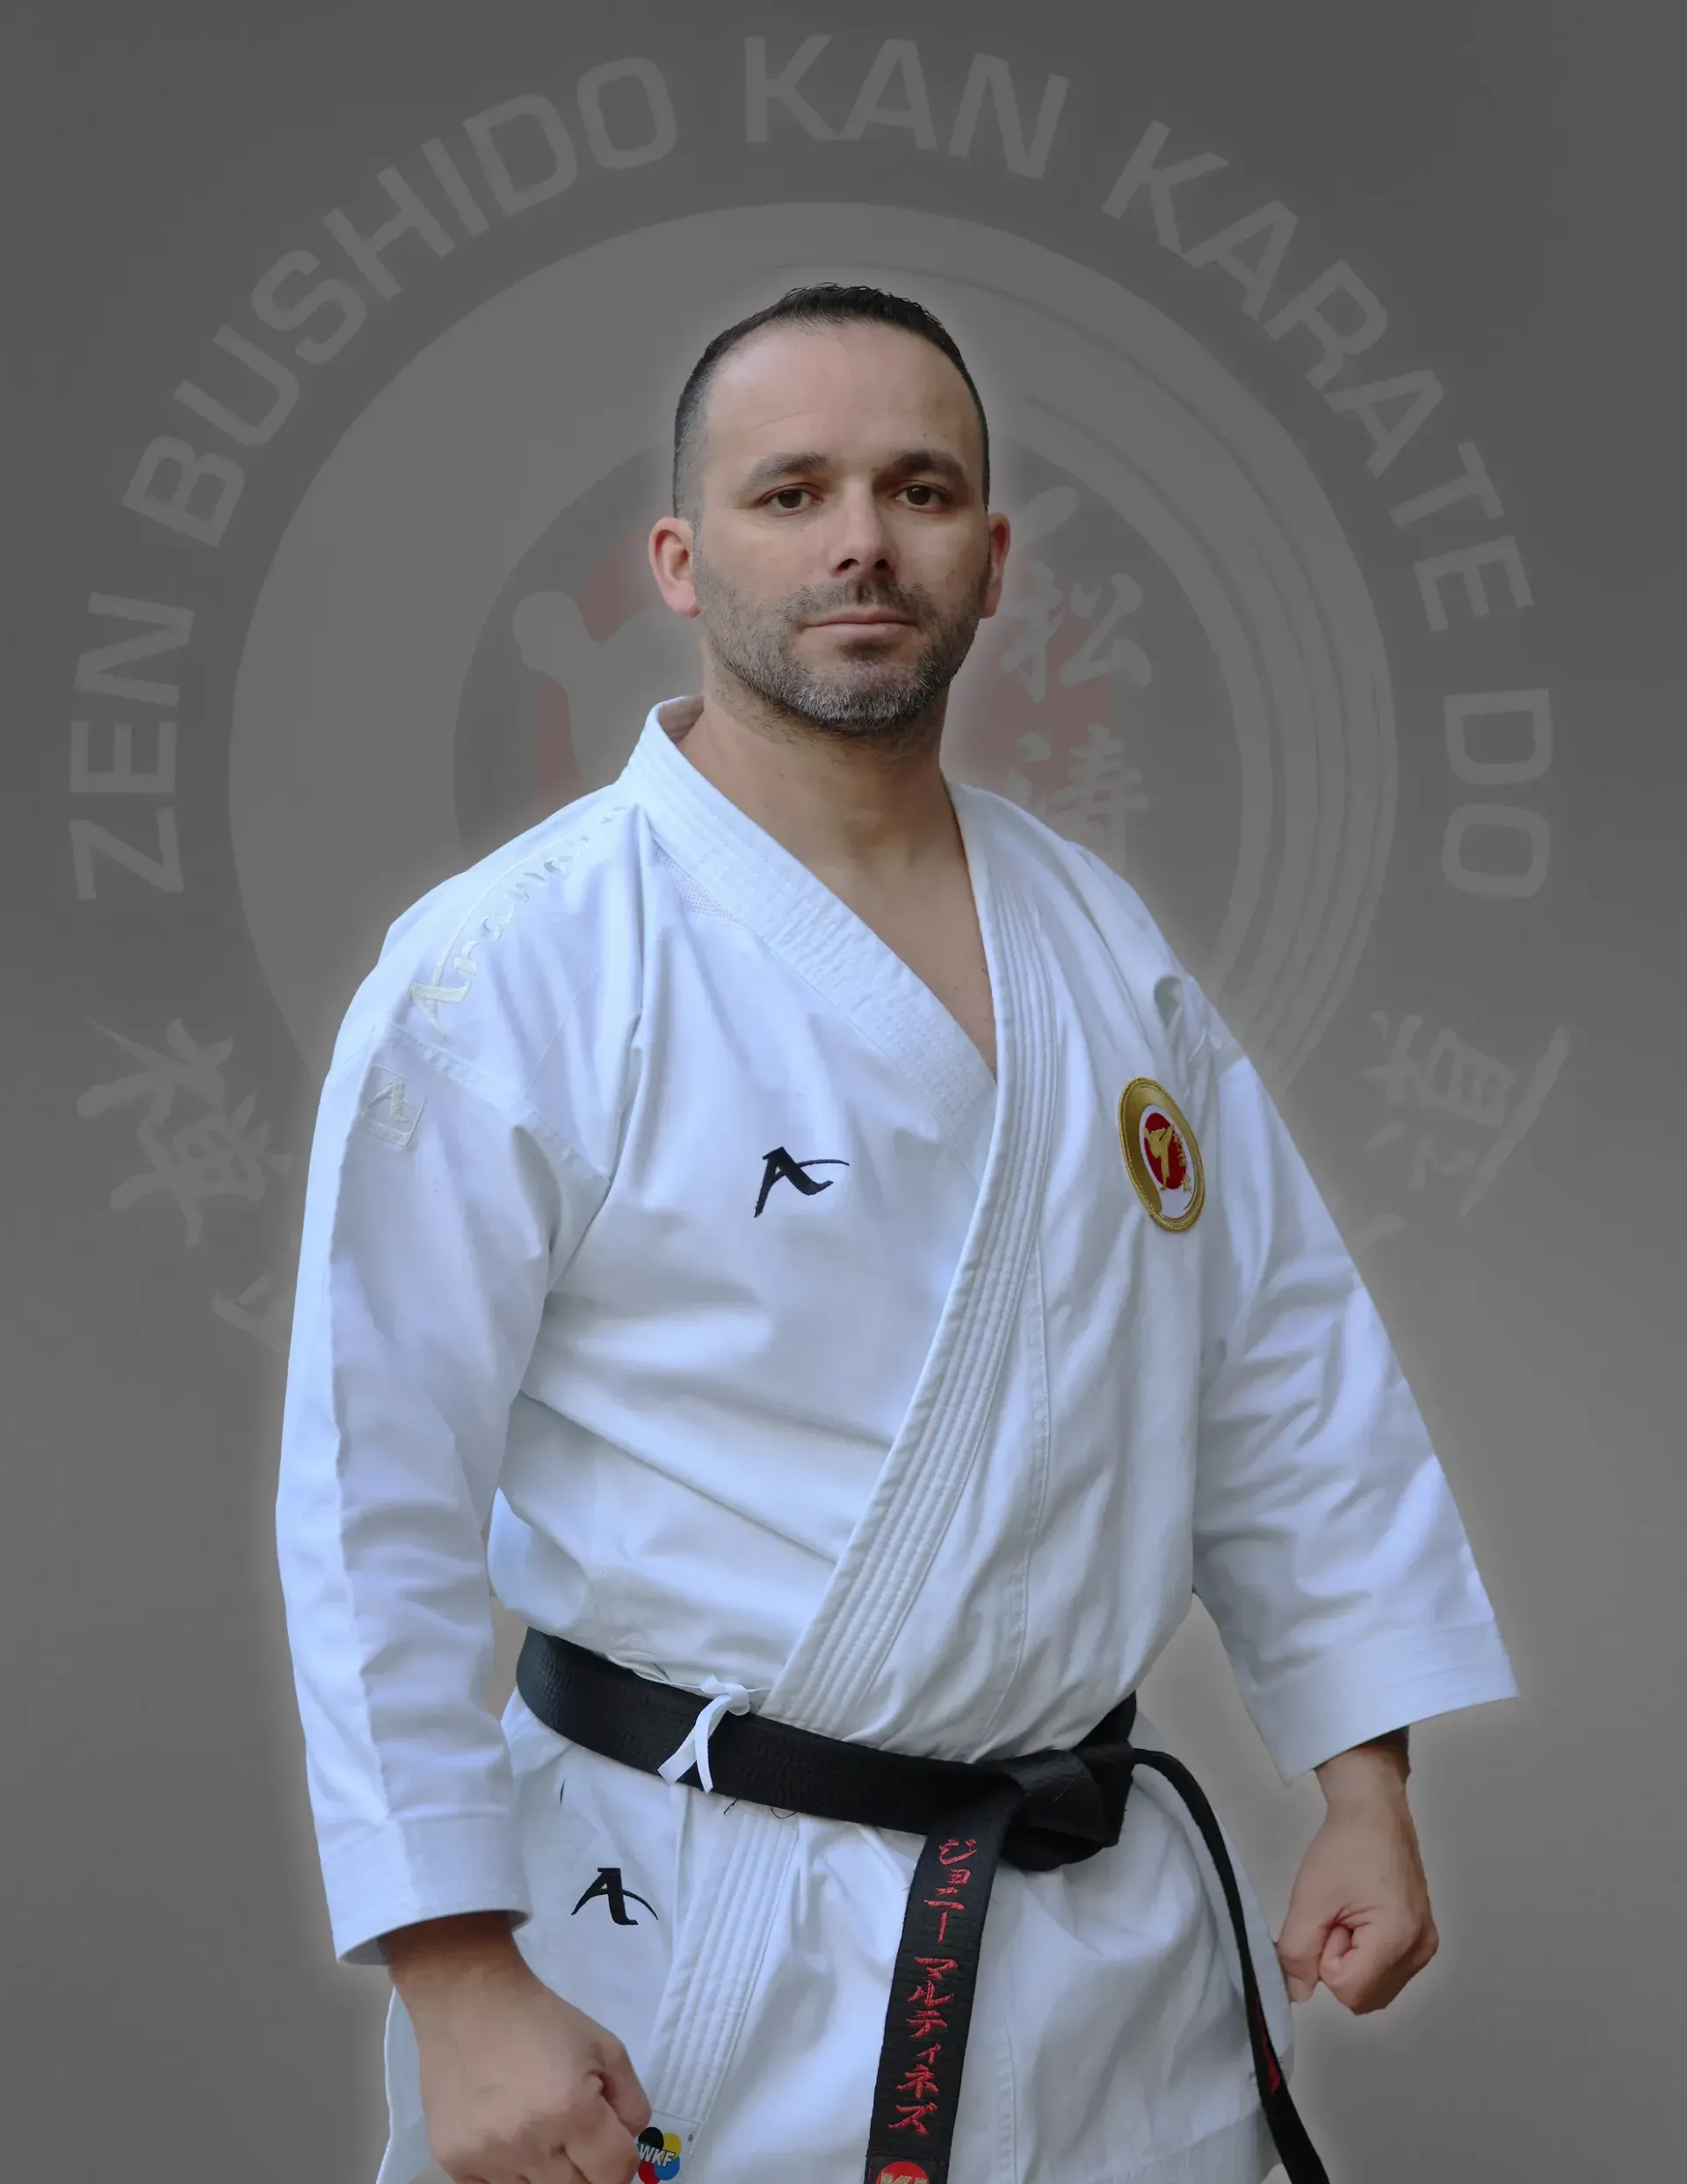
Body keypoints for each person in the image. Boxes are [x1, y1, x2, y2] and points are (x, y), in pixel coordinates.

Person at [274, 283, 1520, 2184]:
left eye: (918, 488)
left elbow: (1275, 1363)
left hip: (1094, 1935)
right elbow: (374, 1493)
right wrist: (453, 1976)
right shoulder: (512, 967)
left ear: (993, 558)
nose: (861, 538)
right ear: (681, 562)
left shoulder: (1105, 947)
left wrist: (1364, 1782)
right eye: (793, 493)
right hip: (684, 1923)